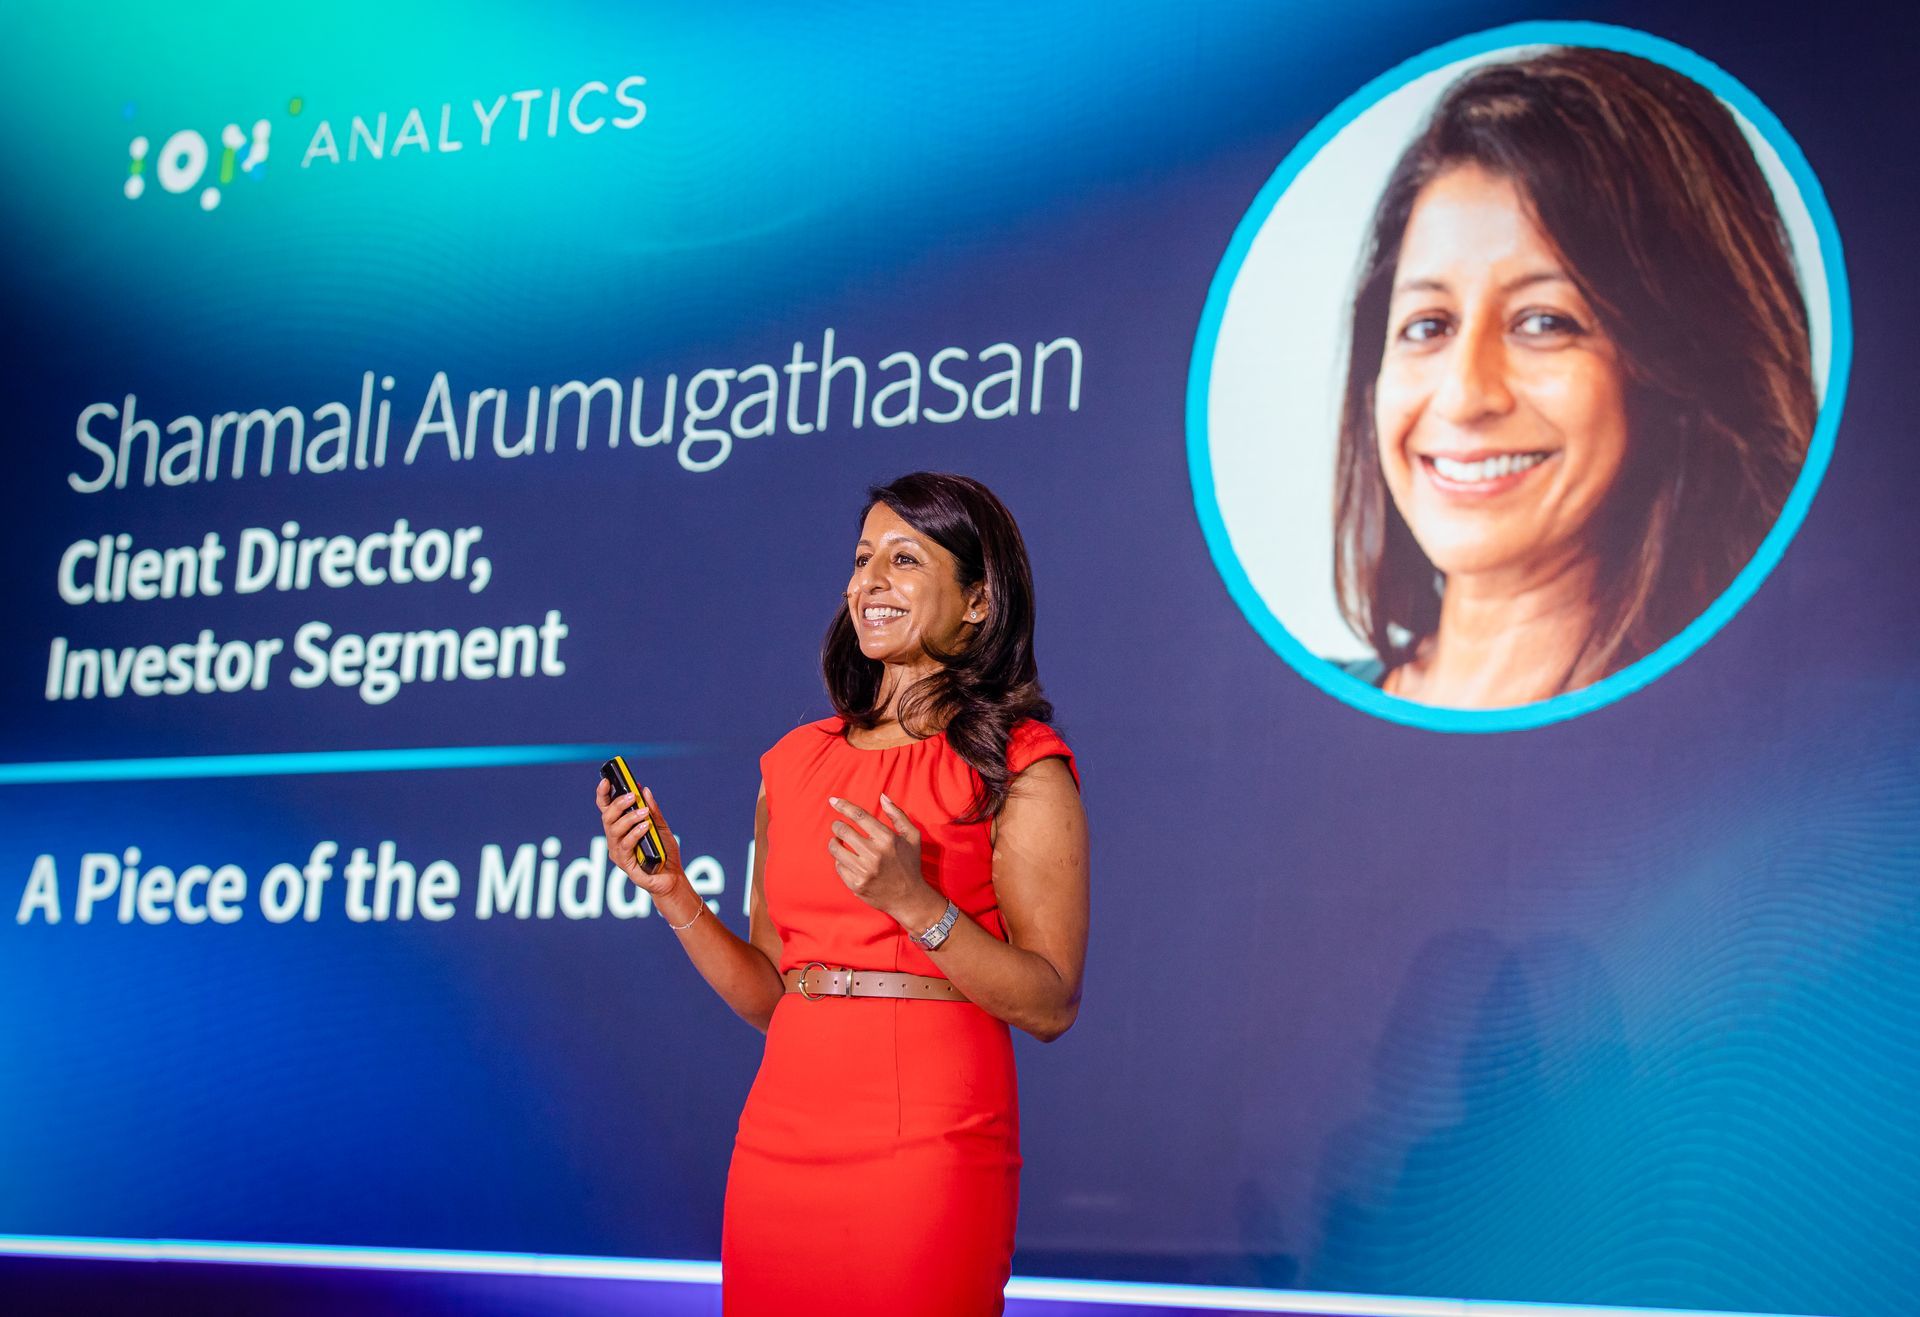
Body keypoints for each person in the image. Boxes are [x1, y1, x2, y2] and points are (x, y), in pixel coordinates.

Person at [595, 471, 1088, 1314]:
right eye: (862, 560)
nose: (869, 583)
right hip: (780, 1140)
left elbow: (1050, 1002)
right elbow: (773, 991)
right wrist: (674, 894)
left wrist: (917, 906)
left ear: (977, 600)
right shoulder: (792, 762)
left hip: (930, 1145)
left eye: (904, 559)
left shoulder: (1019, 763)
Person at [1331, 46, 1816, 708]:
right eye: (1429, 325)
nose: (1465, 394)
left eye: (1545, 321)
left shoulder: (1753, 762)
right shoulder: (1273, 721)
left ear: (1676, 373)